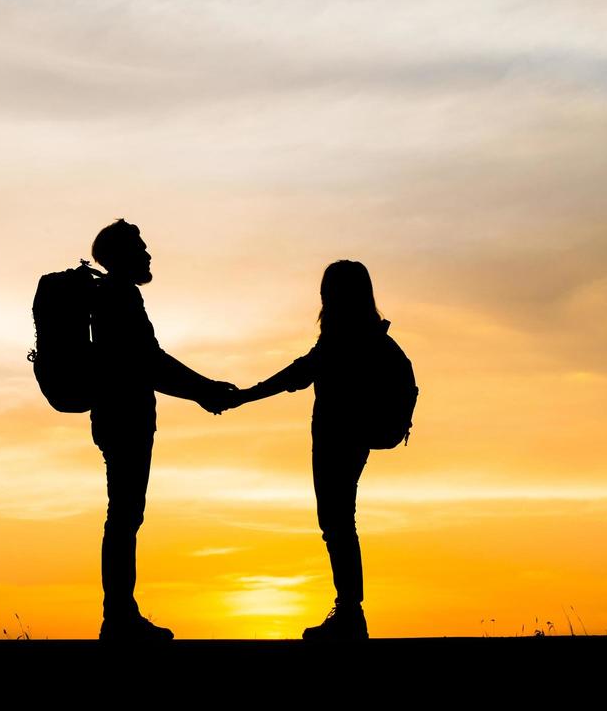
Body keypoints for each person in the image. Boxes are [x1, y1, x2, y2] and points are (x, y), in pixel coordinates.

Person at [220, 260, 390, 640]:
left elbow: (298, 373)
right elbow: (302, 371)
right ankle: (349, 610)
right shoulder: (366, 333)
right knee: (340, 521)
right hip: (353, 436)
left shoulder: (342, 336)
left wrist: (245, 396)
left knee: (337, 523)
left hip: (336, 437)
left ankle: (350, 613)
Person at [88, 219, 235, 642]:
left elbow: (150, 361)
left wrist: (202, 390)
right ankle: (118, 617)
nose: (149, 255)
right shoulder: (119, 296)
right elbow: (149, 362)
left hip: (118, 416)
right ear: (120, 256)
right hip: (124, 417)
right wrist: (204, 390)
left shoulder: (113, 296)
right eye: (141, 248)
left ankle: (120, 613)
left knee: (125, 514)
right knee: (124, 516)